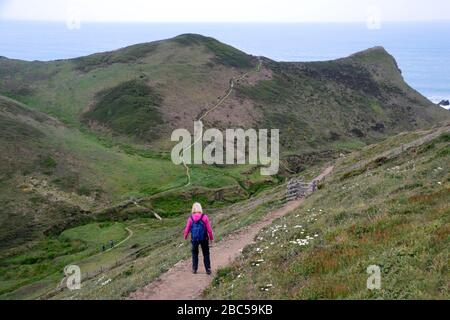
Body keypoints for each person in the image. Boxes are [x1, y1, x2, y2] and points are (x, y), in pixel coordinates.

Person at [183, 202, 214, 275]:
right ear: (200, 208)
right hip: (204, 238)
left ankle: (194, 269)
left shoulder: (190, 218)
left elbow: (187, 228)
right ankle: (208, 269)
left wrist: (185, 236)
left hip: (194, 239)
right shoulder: (204, 217)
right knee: (206, 253)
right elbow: (209, 229)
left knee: (194, 253)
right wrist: (211, 238)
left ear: (193, 209)